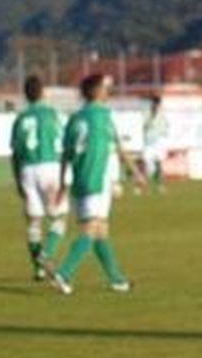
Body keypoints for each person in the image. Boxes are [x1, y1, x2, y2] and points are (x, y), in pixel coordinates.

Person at [49, 73, 147, 293]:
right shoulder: (102, 116)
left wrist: (63, 183)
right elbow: (120, 148)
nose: (107, 92)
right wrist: (136, 174)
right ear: (96, 91)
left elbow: (65, 153)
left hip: (80, 179)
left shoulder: (75, 119)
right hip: (96, 179)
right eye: (104, 88)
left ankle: (116, 279)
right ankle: (63, 274)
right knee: (91, 229)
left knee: (101, 230)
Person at [10, 74, 66, 280]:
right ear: (43, 93)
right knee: (58, 217)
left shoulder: (21, 118)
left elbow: (15, 153)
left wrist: (17, 180)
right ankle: (46, 254)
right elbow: (63, 144)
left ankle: (39, 269)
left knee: (33, 222)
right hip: (49, 167)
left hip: (27, 170)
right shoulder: (52, 114)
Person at [141, 95, 169, 191]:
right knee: (146, 162)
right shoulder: (147, 112)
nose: (156, 105)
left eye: (157, 103)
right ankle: (143, 185)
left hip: (159, 140)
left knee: (159, 162)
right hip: (149, 141)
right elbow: (144, 125)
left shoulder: (162, 113)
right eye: (154, 102)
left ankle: (160, 184)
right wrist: (151, 117)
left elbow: (165, 125)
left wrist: (163, 135)